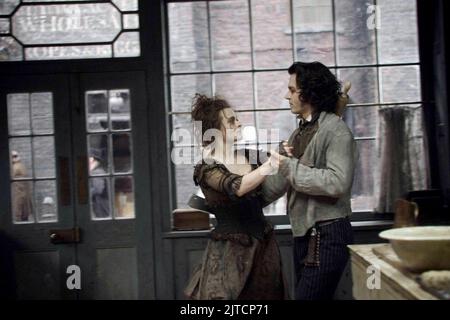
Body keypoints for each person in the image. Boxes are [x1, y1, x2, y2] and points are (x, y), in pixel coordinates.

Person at [263, 61, 358, 300]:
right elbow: (276, 187)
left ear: (310, 92)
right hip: (306, 234)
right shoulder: (299, 133)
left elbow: (337, 183)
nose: (287, 96)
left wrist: (289, 166)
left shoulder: (336, 130)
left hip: (327, 233)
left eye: (293, 90)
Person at [184, 94, 288, 300]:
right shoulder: (207, 168)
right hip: (229, 256)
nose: (239, 123)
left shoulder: (251, 156)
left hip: (263, 250)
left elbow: (267, 185)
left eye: (237, 119)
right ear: (215, 130)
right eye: (231, 121)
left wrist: (283, 153)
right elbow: (238, 187)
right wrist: (270, 165)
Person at [10, 150, 33, 222]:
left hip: (19, 196)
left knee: (19, 217)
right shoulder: (21, 166)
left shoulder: (14, 168)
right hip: (24, 195)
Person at [89, 148, 110, 218]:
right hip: (101, 206)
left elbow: (98, 189)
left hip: (101, 207)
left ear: (91, 159)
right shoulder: (97, 171)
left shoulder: (97, 172)